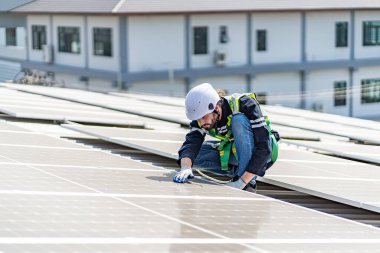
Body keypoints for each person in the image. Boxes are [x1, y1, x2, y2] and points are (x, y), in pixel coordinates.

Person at [173, 83, 279, 191]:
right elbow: (191, 142)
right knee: (189, 156)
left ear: (216, 108)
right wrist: (186, 167)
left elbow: (265, 148)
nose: (201, 122)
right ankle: (237, 171)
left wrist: (241, 182)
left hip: (263, 152)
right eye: (198, 119)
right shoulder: (202, 119)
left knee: (238, 120)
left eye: (204, 117)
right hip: (236, 153)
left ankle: (248, 183)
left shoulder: (243, 104)